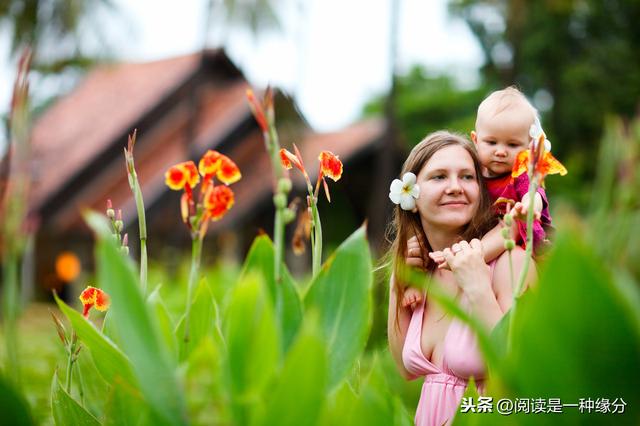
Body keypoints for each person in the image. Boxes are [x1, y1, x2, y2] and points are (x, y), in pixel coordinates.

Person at [387, 131, 537, 426]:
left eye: (467, 177)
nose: (455, 187)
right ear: (411, 198)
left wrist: (478, 286)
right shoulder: (421, 278)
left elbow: (522, 375)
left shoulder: (511, 264)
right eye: (439, 177)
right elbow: (405, 370)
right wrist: (398, 281)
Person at [402, 87, 553, 310]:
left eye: (512, 145)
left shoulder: (519, 174)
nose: (501, 152)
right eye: (492, 143)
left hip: (521, 240)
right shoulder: (474, 172)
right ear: (476, 139)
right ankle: (417, 282)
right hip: (482, 241)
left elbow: (533, 193)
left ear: (528, 147)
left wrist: (528, 207)